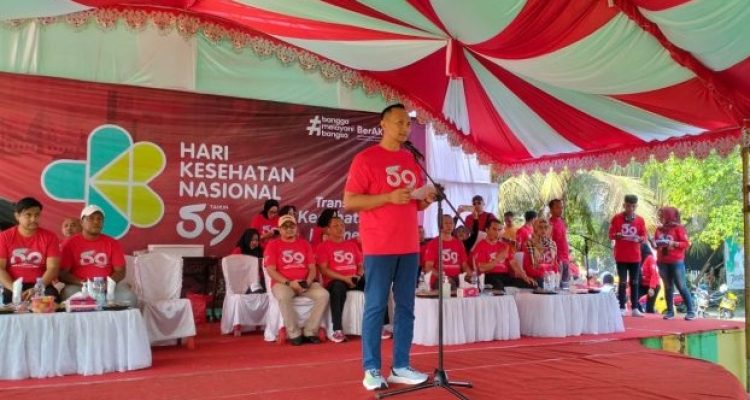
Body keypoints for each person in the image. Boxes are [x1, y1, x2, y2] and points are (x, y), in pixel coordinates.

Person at [344, 103, 436, 391]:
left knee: (407, 307)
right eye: (399, 122)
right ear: (383, 124)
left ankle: (401, 366)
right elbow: (350, 202)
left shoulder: (411, 159)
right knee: (376, 306)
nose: (404, 128)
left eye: (407, 124)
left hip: (409, 244)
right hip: (379, 245)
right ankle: (371, 368)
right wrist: (388, 197)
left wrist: (425, 200)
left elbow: (412, 203)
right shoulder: (365, 159)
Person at [264, 214, 329, 345]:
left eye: (292, 226)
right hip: (283, 283)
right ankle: (294, 333)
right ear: (280, 229)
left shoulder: (304, 244)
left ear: (296, 228)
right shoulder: (273, 245)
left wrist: (307, 283)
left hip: (305, 282)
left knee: (324, 295)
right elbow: (271, 270)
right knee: (284, 297)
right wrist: (289, 283)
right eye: (285, 227)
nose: (289, 229)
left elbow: (312, 268)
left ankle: (310, 331)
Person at [59, 205, 137, 305]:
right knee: (68, 294)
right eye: (91, 218)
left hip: (108, 286)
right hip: (80, 286)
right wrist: (83, 282)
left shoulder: (112, 243)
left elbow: (120, 271)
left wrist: (107, 283)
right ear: (82, 222)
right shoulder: (69, 243)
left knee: (129, 297)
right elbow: (62, 273)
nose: (96, 222)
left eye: (99, 219)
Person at [0, 197, 61, 303]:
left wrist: (37, 288)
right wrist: (14, 289)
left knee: (51, 301)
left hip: (41, 284)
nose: (33, 219)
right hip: (13, 285)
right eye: (28, 215)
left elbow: (53, 268)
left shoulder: (50, 237)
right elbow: (0, 268)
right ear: (17, 216)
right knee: (6, 301)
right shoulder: (4, 237)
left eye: (37, 215)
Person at [317, 216, 364, 343]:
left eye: (342, 225)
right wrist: (345, 278)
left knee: (375, 284)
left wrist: (358, 276)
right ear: (328, 230)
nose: (340, 228)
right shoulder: (323, 247)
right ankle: (337, 329)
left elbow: (360, 265)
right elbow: (324, 270)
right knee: (338, 287)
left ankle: (382, 325)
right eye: (336, 226)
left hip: (353, 278)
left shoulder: (351, 245)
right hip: (335, 280)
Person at [654, 206, 695, 320]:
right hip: (662, 262)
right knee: (668, 287)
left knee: (681, 286)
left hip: (676, 262)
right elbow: (657, 245)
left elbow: (686, 244)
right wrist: (653, 244)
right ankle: (670, 312)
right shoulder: (659, 229)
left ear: (669, 216)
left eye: (662, 215)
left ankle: (691, 311)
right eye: (660, 215)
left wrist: (674, 243)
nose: (660, 217)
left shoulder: (679, 228)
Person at [609, 194, 647, 317]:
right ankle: (622, 307)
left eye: (633, 206)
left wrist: (640, 238)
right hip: (621, 256)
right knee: (622, 282)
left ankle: (635, 308)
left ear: (636, 206)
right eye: (628, 206)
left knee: (635, 282)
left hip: (635, 256)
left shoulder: (640, 220)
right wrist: (617, 235)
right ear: (624, 205)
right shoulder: (616, 218)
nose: (630, 208)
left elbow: (644, 236)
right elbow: (611, 234)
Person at [472, 219, 535, 290]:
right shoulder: (481, 246)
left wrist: (525, 277)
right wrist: (498, 258)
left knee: (531, 284)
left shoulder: (504, 246)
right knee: (499, 285)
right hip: (489, 276)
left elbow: (514, 263)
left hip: (505, 276)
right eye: (494, 229)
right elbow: (481, 268)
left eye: (499, 230)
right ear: (487, 230)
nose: (497, 232)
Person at [423, 214, 470, 289]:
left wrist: (471, 276)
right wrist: (444, 277)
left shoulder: (459, 243)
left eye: (451, 223)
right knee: (450, 285)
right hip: (439, 279)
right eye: (446, 223)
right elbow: (428, 267)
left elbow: (464, 265)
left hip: (457, 278)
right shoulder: (433, 243)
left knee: (473, 286)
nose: (449, 225)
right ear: (440, 225)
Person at [522, 218, 556, 287]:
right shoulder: (528, 244)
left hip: (550, 277)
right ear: (535, 228)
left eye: (546, 227)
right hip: (536, 278)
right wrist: (542, 273)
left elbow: (554, 265)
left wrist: (551, 273)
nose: (543, 230)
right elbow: (527, 268)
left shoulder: (552, 244)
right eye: (540, 227)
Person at [231, 228, 264, 292]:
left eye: (257, 240)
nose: (255, 242)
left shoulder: (260, 250)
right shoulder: (239, 250)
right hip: (242, 280)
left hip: (259, 279)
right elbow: (233, 267)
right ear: (247, 239)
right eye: (252, 240)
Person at [548, 199, 571, 287]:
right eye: (557, 207)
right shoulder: (549, 224)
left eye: (561, 207)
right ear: (551, 210)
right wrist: (554, 260)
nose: (560, 210)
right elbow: (548, 244)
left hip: (566, 258)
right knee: (558, 287)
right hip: (557, 260)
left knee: (566, 287)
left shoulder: (562, 221)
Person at [638, 243, 660, 314]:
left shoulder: (650, 258)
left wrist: (651, 288)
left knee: (649, 308)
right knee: (635, 299)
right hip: (643, 285)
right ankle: (640, 312)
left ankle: (651, 315)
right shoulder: (639, 260)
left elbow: (654, 274)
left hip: (653, 285)